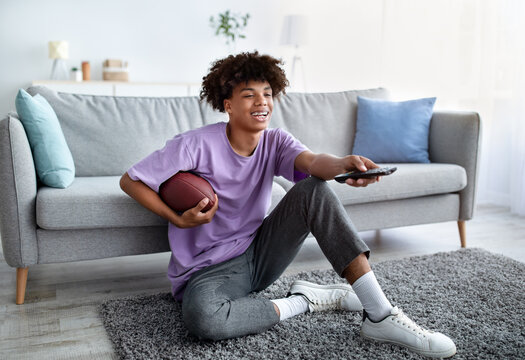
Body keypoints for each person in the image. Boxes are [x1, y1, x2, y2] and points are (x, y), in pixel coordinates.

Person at [120, 51, 456, 358]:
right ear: (228, 105)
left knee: (315, 190)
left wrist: (342, 166)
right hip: (208, 271)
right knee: (203, 320)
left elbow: (312, 163)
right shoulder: (194, 144)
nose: (261, 102)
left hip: (260, 253)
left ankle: (380, 314)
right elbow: (130, 180)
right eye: (249, 94)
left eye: (267, 93)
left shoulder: (275, 141)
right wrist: (176, 220)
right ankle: (304, 301)